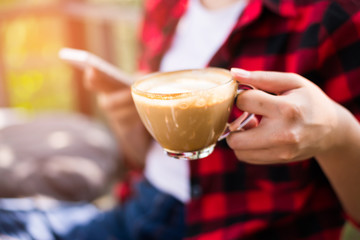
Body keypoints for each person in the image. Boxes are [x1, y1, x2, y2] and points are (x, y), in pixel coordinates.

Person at [1, 0, 360, 239]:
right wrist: (127, 118)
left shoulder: (336, 16)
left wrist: (337, 134)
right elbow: (152, 159)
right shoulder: (166, 6)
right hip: (141, 211)